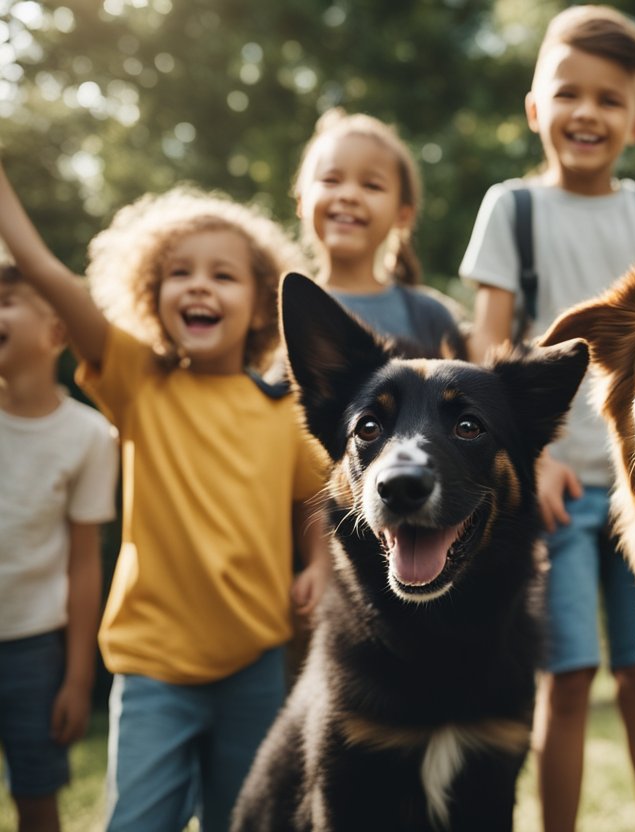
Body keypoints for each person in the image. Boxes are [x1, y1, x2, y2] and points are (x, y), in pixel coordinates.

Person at [0, 161, 331, 832]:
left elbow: (315, 501)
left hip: (253, 665)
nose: (199, 286)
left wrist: (319, 562)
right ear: (152, 294)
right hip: (155, 670)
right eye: (180, 272)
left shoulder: (282, 409)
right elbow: (49, 276)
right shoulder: (135, 380)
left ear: (263, 300)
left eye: (222, 275)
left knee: (245, 822)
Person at [459, 6, 635, 831]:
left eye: (608, 99)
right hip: (552, 488)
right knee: (567, 674)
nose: (586, 113)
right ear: (534, 108)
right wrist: (533, 455)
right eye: (567, 94)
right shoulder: (511, 208)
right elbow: (489, 346)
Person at [0, 263, 118, 832]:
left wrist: (76, 677)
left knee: (37, 797)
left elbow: (83, 563)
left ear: (55, 333)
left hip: (33, 649)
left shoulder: (90, 436)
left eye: (5, 303)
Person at [293, 107, 465, 357]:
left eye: (372, 185)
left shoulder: (430, 317)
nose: (348, 195)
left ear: (402, 215)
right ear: (301, 201)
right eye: (331, 180)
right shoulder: (278, 311)